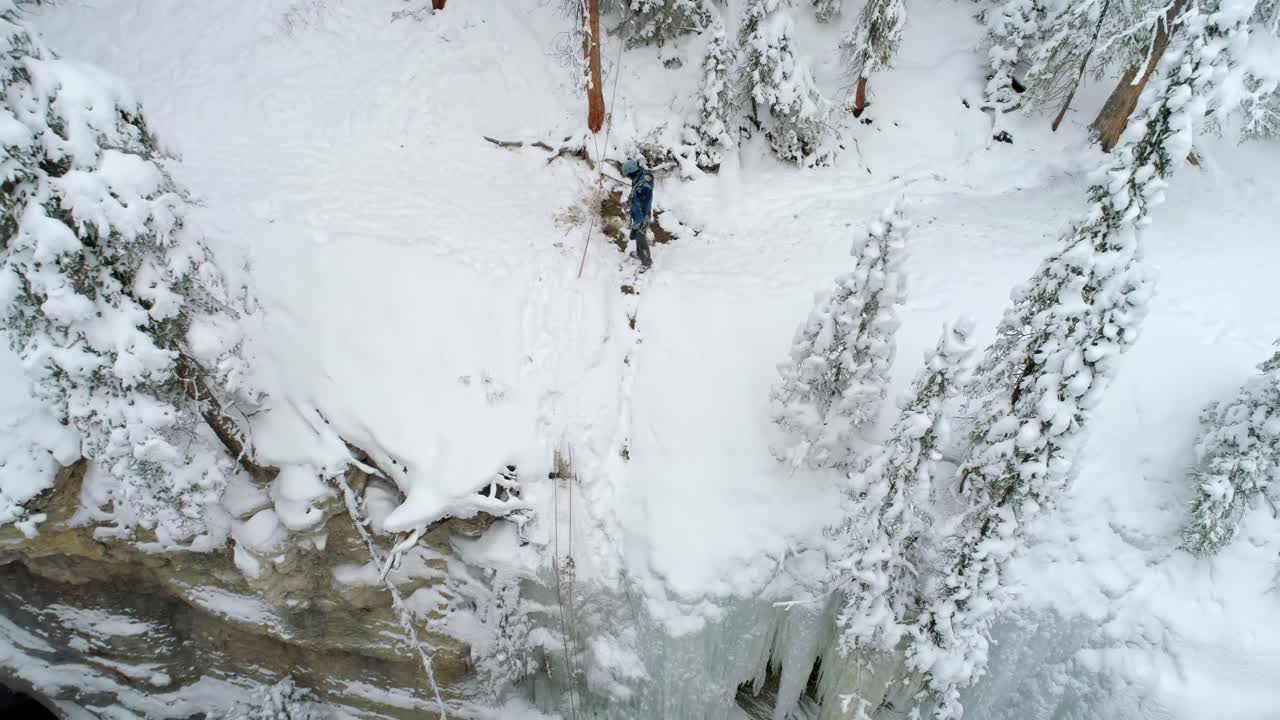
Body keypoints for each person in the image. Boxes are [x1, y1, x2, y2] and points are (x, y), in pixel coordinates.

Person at [621, 159, 654, 269]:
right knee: (637, 234)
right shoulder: (639, 178)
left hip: (643, 215)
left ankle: (646, 261)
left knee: (640, 236)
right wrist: (629, 204)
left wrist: (641, 215)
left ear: (632, 172)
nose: (628, 178)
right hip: (638, 213)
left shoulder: (644, 184)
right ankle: (640, 254)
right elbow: (637, 198)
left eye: (628, 175)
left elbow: (644, 197)